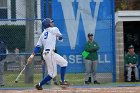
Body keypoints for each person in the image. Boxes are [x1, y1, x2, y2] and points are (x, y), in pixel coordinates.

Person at [27, 18, 69, 90]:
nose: (52, 23)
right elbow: (61, 38)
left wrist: (31, 56)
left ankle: (62, 81)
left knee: (64, 63)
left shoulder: (42, 34)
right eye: (51, 22)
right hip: (50, 54)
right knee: (52, 74)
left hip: (47, 53)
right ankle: (40, 84)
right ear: (47, 24)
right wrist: (60, 37)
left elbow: (37, 47)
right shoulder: (54, 29)